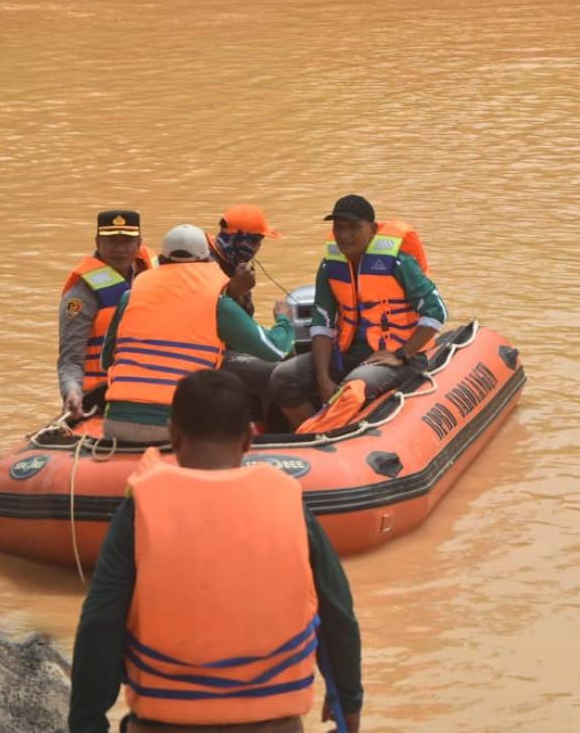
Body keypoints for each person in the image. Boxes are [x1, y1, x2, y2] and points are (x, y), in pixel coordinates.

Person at [68, 370, 364, 733]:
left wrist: (86, 724)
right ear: (248, 439)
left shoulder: (140, 509)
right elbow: (338, 616)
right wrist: (349, 706)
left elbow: (100, 624)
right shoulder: (289, 505)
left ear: (173, 435)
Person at [100, 224, 295, 444]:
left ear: (161, 260)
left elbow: (107, 362)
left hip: (116, 425)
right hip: (177, 428)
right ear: (207, 261)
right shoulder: (217, 303)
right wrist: (284, 319)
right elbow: (275, 349)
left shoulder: (130, 296)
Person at [270, 195, 447, 430]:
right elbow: (322, 324)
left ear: (372, 230)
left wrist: (402, 354)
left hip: (400, 358)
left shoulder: (398, 263)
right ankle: (311, 435)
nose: (345, 235)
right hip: (345, 355)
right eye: (339, 227)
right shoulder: (330, 266)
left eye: (354, 227)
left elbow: (436, 312)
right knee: (282, 377)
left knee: (353, 386)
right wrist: (323, 379)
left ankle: (327, 436)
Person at [58, 210, 159, 420]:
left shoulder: (154, 276)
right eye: (111, 241)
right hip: (100, 397)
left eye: (127, 241)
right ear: (98, 243)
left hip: (149, 391)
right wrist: (72, 391)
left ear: (139, 243)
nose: (119, 249)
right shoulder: (80, 297)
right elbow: (71, 359)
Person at [210, 204, 285, 413]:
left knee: (290, 354)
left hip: (233, 344)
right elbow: (210, 316)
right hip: (213, 352)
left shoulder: (235, 263)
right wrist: (235, 291)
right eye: (257, 240)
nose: (258, 247)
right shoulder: (207, 265)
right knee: (276, 373)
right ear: (242, 240)